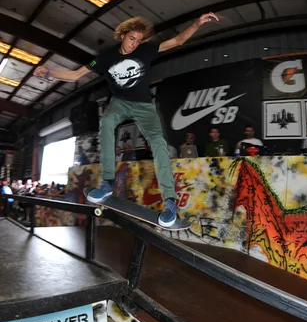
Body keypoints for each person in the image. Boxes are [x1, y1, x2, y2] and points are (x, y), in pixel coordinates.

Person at [33, 12, 219, 227]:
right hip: (119, 103)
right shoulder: (104, 57)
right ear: (122, 35)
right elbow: (75, 75)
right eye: (131, 39)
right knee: (107, 123)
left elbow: (177, 41)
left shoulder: (146, 50)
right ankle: (108, 183)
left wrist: (197, 23)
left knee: (159, 144)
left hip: (143, 105)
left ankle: (170, 203)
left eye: (138, 41)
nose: (134, 45)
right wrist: (48, 72)